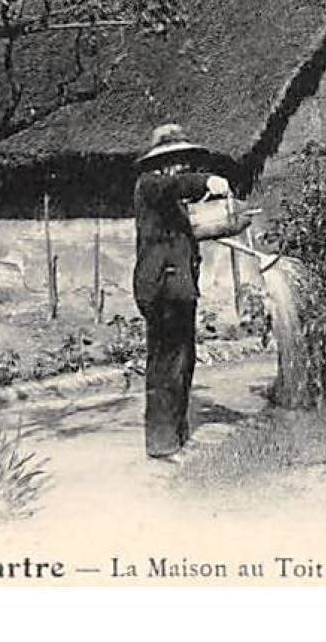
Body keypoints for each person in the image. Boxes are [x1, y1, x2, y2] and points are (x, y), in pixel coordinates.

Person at [132, 123, 230, 460]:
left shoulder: (171, 199)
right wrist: (207, 182)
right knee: (165, 365)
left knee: (183, 361)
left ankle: (176, 435)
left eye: (184, 161)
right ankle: (161, 444)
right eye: (177, 160)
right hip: (161, 289)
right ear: (161, 162)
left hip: (178, 288)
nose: (182, 167)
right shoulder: (151, 186)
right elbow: (176, 185)